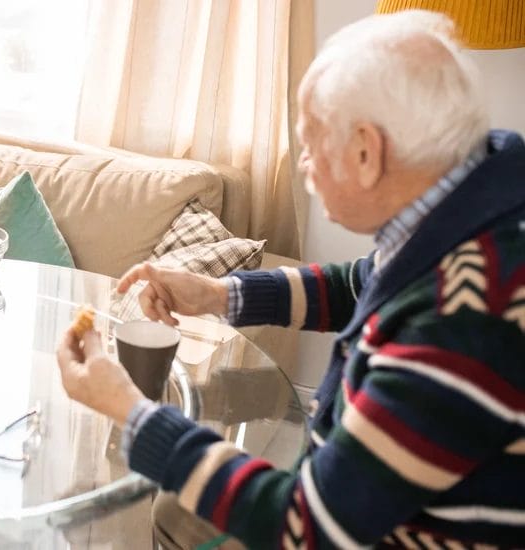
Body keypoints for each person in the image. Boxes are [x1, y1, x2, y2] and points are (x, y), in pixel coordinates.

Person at [57, 10, 524, 549]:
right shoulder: (470, 205)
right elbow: (362, 284)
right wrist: (217, 294)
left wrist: (132, 411)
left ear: (368, 153)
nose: (303, 163)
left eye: (309, 144)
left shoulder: (461, 320)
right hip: (367, 501)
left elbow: (307, 526)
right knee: (176, 517)